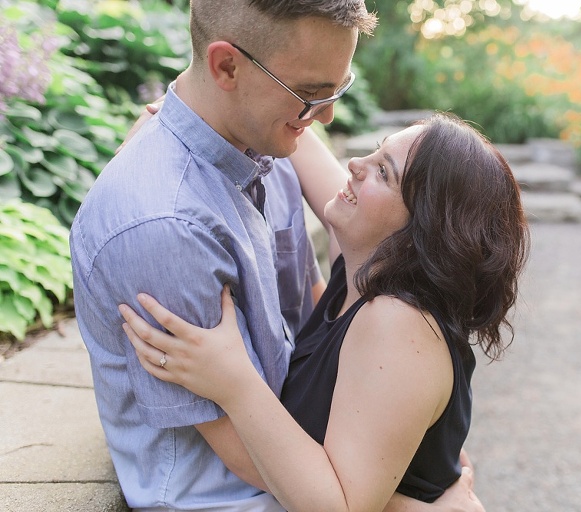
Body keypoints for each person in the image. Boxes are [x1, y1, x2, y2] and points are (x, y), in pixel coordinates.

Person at [71, 0, 480, 509]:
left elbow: (313, 324)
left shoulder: (272, 143)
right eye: (310, 94)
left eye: (337, 90)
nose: (326, 118)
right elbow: (259, 465)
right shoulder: (167, 226)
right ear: (226, 67)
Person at [119, 113, 530, 510]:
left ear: (421, 230)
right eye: (374, 151)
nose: (355, 165)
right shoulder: (358, 271)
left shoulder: (398, 323)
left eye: (384, 172)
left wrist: (233, 381)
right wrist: (182, 113)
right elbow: (296, 135)